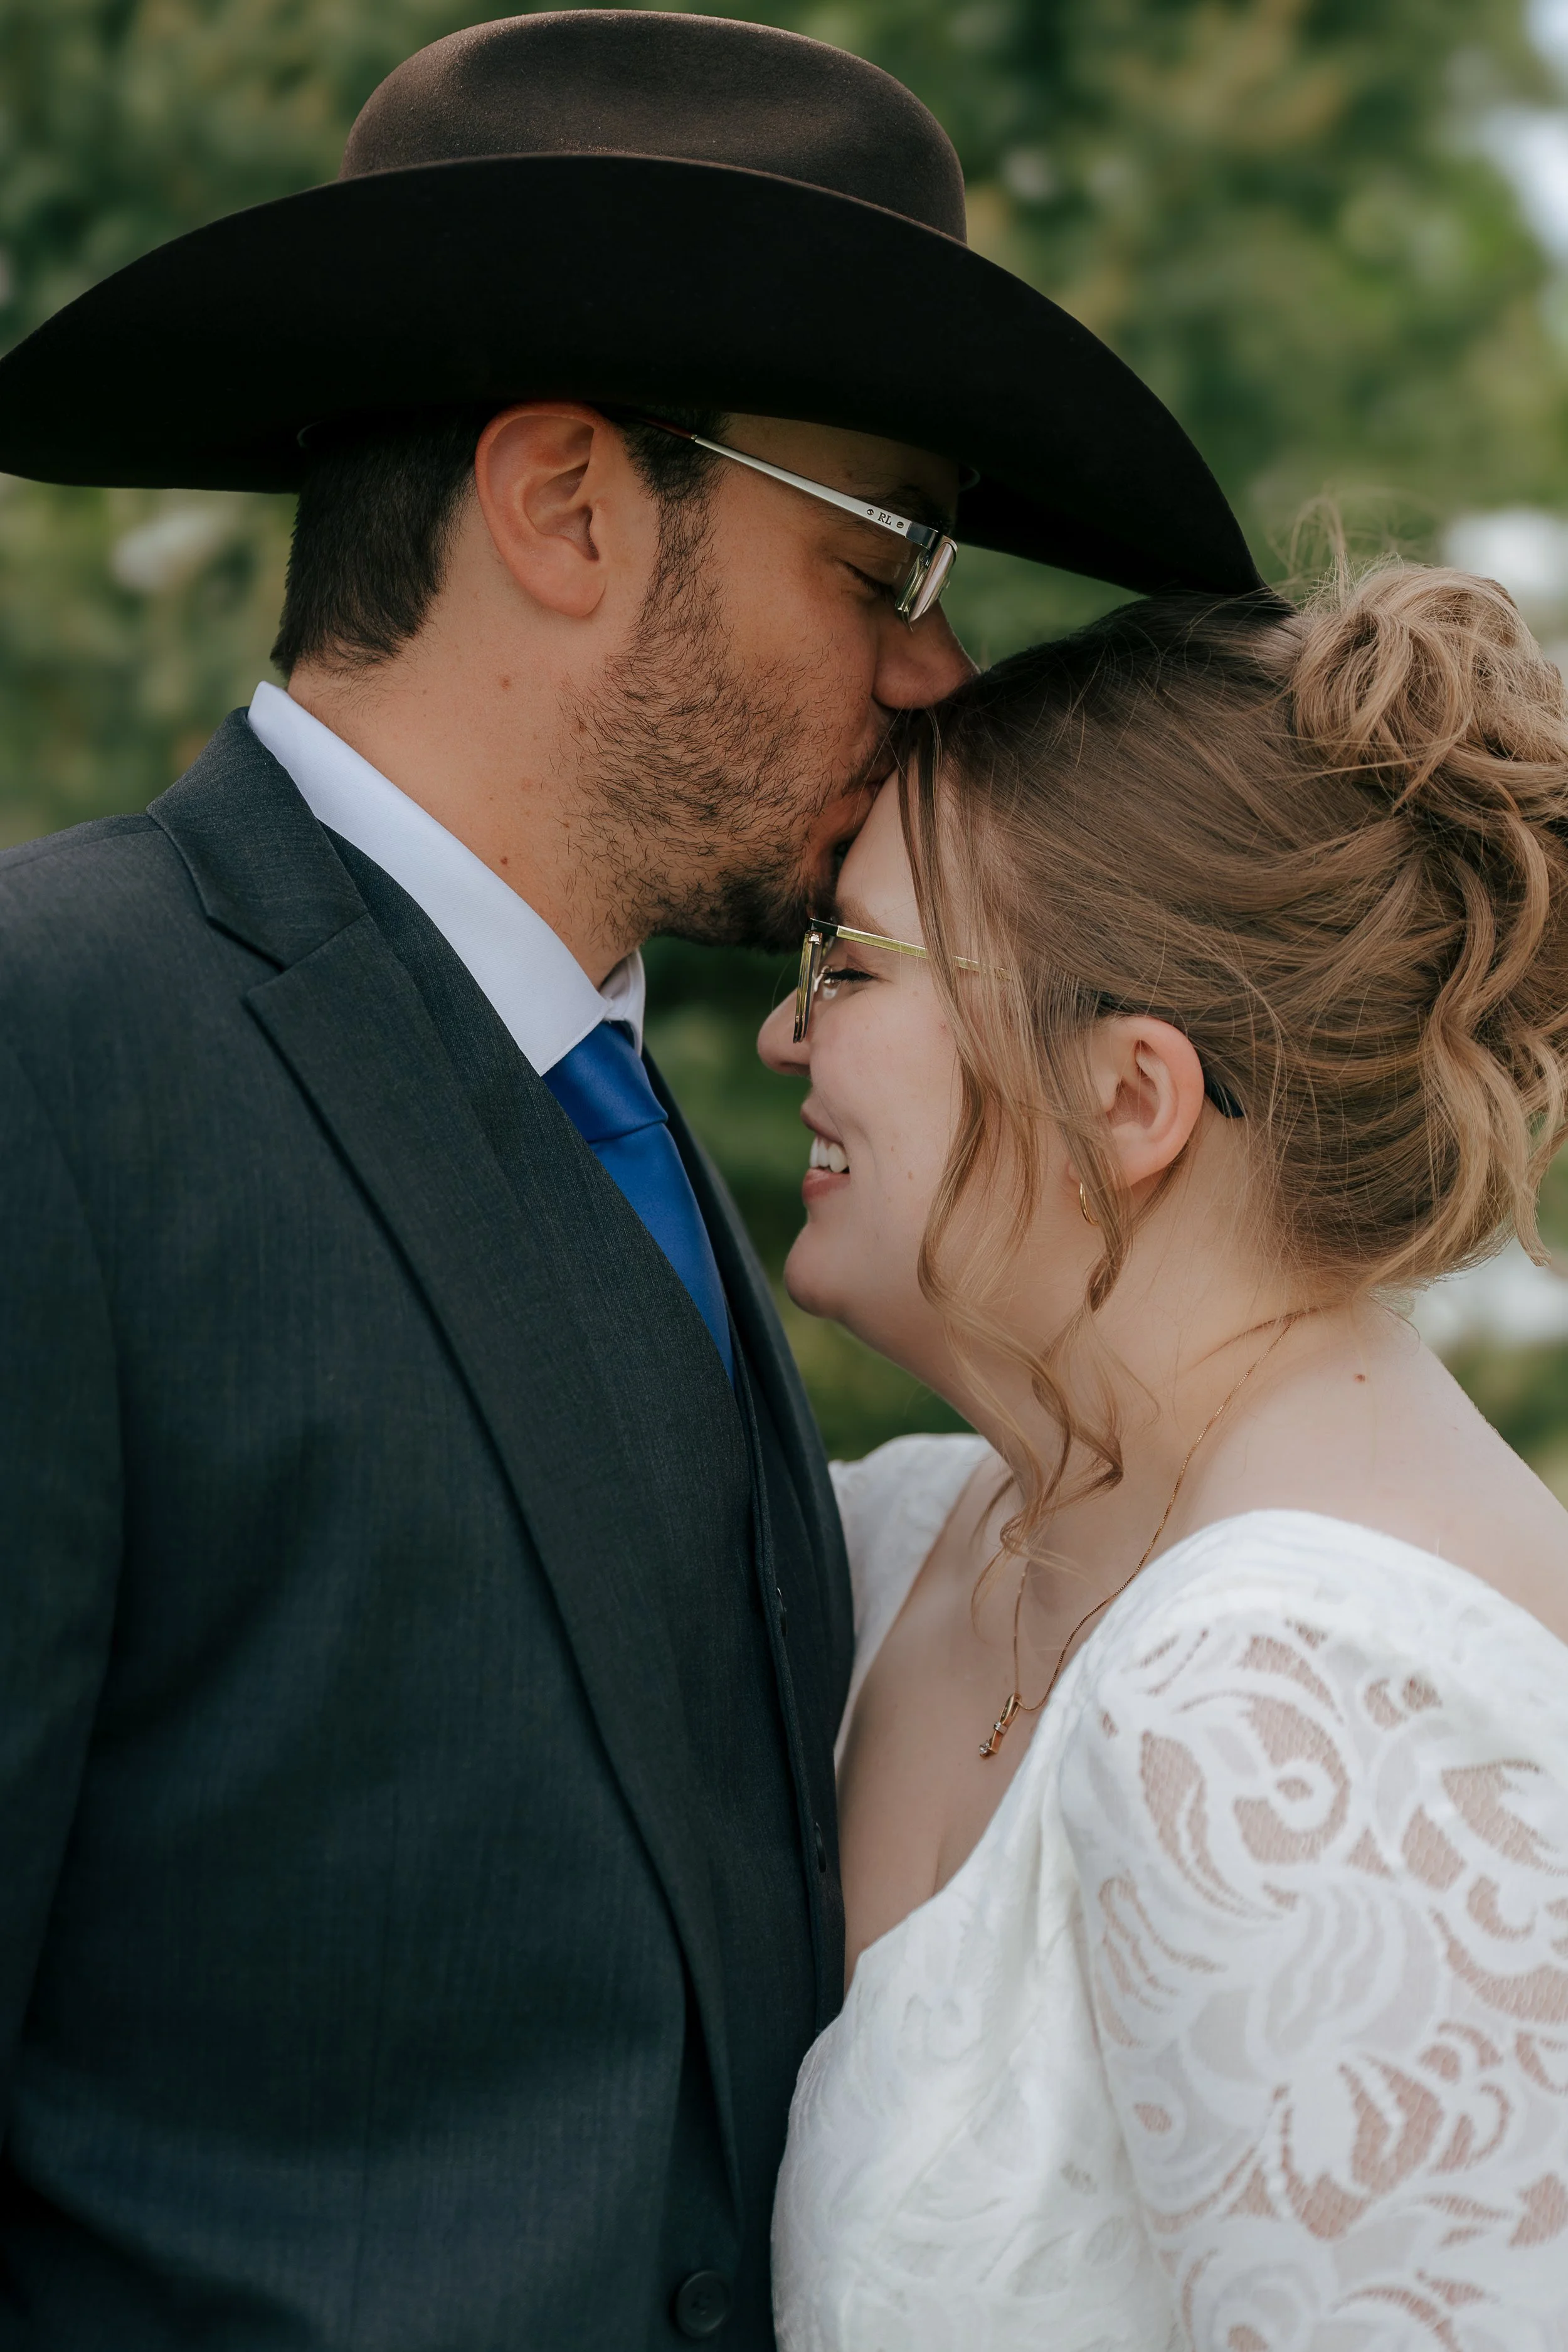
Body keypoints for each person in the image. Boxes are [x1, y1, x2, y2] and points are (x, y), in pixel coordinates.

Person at [0, 11, 1263, 2348]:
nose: (937, 663)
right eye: (883, 552)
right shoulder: (46, 1041)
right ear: (569, 505)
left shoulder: (643, 1129)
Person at [761, 563, 1568, 2348]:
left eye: (855, 965)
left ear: (1128, 1095)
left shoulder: (1294, 1702)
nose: (784, 1029)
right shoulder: (922, 1538)